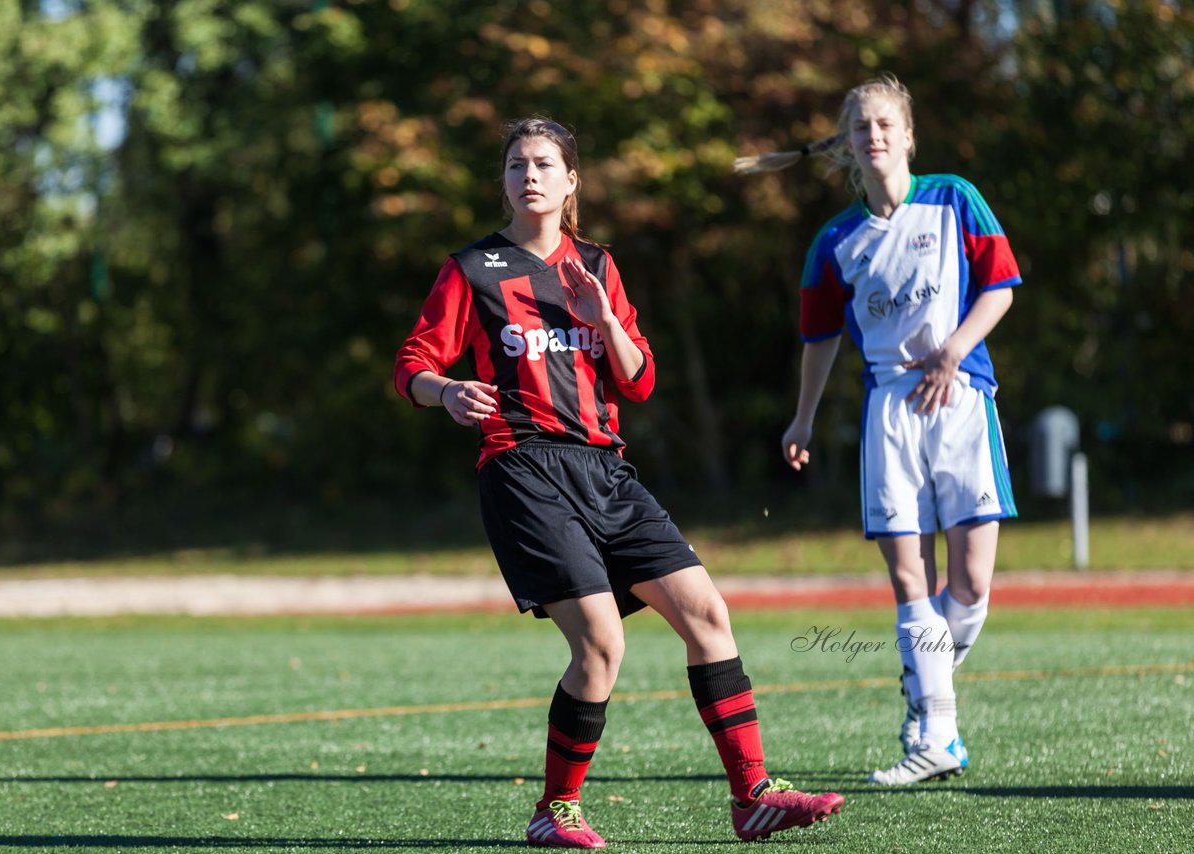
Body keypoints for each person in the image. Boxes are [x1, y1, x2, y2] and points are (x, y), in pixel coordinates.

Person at [395, 116, 844, 847]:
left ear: (572, 181)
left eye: (543, 163)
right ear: (504, 182)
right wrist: (444, 393)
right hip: (523, 470)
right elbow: (411, 364)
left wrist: (605, 321)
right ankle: (555, 810)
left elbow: (639, 382)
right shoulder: (472, 269)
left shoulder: (598, 267)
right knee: (601, 644)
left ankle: (752, 795)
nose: (528, 175)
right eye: (515, 165)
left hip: (606, 471)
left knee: (707, 613)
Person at [738, 75, 1021, 785]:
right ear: (848, 144)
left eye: (887, 123)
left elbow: (1002, 285)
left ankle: (924, 681)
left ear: (908, 133)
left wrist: (953, 351)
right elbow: (820, 336)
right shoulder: (836, 241)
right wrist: (802, 417)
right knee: (908, 576)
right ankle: (938, 735)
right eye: (862, 126)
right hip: (889, 412)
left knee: (972, 583)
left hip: (962, 399)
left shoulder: (955, 198)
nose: (876, 135)